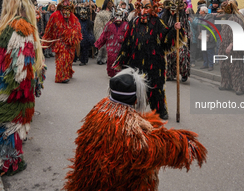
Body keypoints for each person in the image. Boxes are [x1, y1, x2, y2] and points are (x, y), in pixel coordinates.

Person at [63, 67, 207, 191]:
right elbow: (145, 150)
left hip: (87, 182)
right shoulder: (127, 129)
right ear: (136, 99)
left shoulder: (101, 108)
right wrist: (182, 142)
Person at [113, 0, 185, 120]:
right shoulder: (133, 23)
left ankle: (159, 111)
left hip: (154, 63)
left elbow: (166, 38)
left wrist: (175, 29)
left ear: (153, 9)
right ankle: (132, 110)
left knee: (156, 88)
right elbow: (127, 43)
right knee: (134, 87)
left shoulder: (157, 23)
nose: (143, 11)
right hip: (135, 62)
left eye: (147, 8)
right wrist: (123, 59)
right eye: (141, 7)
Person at [0, 0, 45, 175]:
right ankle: (10, 163)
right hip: (15, 90)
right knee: (14, 124)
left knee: (5, 123)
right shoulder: (22, 27)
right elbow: (21, 68)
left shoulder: (5, 26)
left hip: (4, 85)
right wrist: (23, 92)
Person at [42, 0, 82, 83]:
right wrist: (46, 40)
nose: (66, 11)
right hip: (60, 41)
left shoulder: (73, 17)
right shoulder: (54, 16)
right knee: (62, 57)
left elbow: (78, 27)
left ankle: (68, 72)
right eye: (65, 9)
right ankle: (61, 76)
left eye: (68, 9)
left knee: (70, 58)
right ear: (61, 8)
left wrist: (73, 34)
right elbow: (49, 28)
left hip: (70, 42)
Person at [218, 1, 244, 95]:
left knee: (237, 68)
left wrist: (231, 45)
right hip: (224, 46)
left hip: (233, 48)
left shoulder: (236, 19)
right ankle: (226, 84)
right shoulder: (228, 18)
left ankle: (239, 87)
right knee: (224, 66)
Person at [162, 0, 190, 82]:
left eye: (174, 10)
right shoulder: (165, 17)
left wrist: (181, 29)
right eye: (171, 10)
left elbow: (187, 29)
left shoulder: (182, 16)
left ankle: (184, 74)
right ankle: (170, 74)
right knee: (169, 57)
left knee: (182, 56)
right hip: (170, 40)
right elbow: (164, 28)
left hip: (180, 40)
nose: (173, 12)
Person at [95, 9, 129, 77]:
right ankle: (111, 74)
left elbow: (129, 36)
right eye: (117, 15)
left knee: (120, 61)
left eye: (120, 15)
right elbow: (104, 35)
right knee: (111, 60)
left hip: (121, 47)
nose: (118, 17)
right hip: (111, 47)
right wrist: (98, 44)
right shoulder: (109, 24)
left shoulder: (126, 25)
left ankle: (119, 75)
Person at [94, 0, 113, 65]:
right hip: (102, 30)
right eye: (109, 4)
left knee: (109, 46)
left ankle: (106, 58)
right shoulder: (100, 14)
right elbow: (98, 24)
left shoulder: (112, 13)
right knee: (102, 46)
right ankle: (100, 58)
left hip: (110, 31)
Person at [198, 6, 215, 71]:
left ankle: (211, 65)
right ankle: (205, 64)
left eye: (200, 10)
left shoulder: (209, 19)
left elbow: (213, 29)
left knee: (209, 52)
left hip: (208, 37)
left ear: (203, 11)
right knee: (204, 51)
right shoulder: (201, 18)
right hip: (203, 37)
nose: (199, 11)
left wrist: (211, 38)